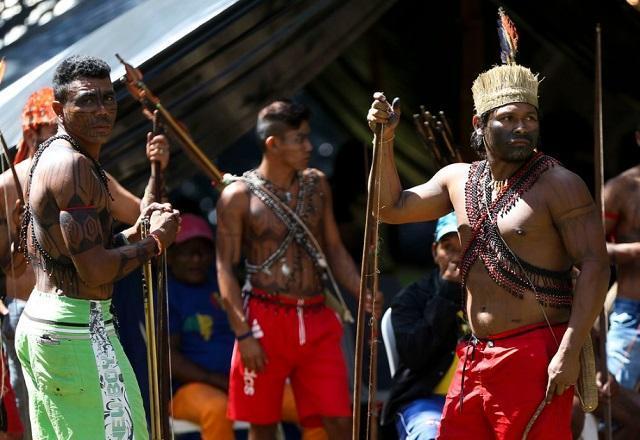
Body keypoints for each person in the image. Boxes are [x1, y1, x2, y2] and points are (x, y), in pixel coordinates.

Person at [366, 15, 610, 438]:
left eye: (530, 118)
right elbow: (388, 207)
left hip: (536, 353)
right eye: (509, 118)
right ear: (480, 124)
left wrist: (569, 351)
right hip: (476, 356)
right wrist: (385, 140)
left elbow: (594, 265)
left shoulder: (560, 185)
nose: (522, 127)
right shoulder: (458, 178)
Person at [13, 55, 179, 439]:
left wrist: (146, 220)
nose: (102, 110)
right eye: (87, 100)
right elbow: (96, 269)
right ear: (59, 109)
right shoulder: (73, 167)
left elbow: (95, 248)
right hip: (75, 331)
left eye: (108, 98)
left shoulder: (61, 158)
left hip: (51, 324)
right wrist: (155, 243)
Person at [217, 100, 381, 439]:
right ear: (273, 144)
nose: (309, 146)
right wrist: (243, 334)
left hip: (318, 318)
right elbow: (225, 267)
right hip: (264, 321)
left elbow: (333, 248)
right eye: (299, 139)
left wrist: (359, 291)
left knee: (338, 421)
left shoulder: (317, 184)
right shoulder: (237, 196)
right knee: (262, 426)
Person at [168, 213, 326, 440]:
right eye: (187, 252)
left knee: (313, 405)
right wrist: (217, 380)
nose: (196, 259)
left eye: (202, 251)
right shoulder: (167, 294)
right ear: (171, 256)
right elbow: (169, 358)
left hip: (247, 380)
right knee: (217, 409)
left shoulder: (223, 285)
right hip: (190, 389)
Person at [382, 212, 463, 440]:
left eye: (465, 246)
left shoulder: (497, 296)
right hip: (426, 400)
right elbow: (416, 355)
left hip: (481, 400)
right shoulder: (411, 299)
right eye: (449, 247)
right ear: (434, 252)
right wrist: (447, 293)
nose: (457, 257)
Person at [603, 122, 640, 392]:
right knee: (613, 397)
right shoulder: (622, 189)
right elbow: (589, 250)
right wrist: (636, 251)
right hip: (633, 310)